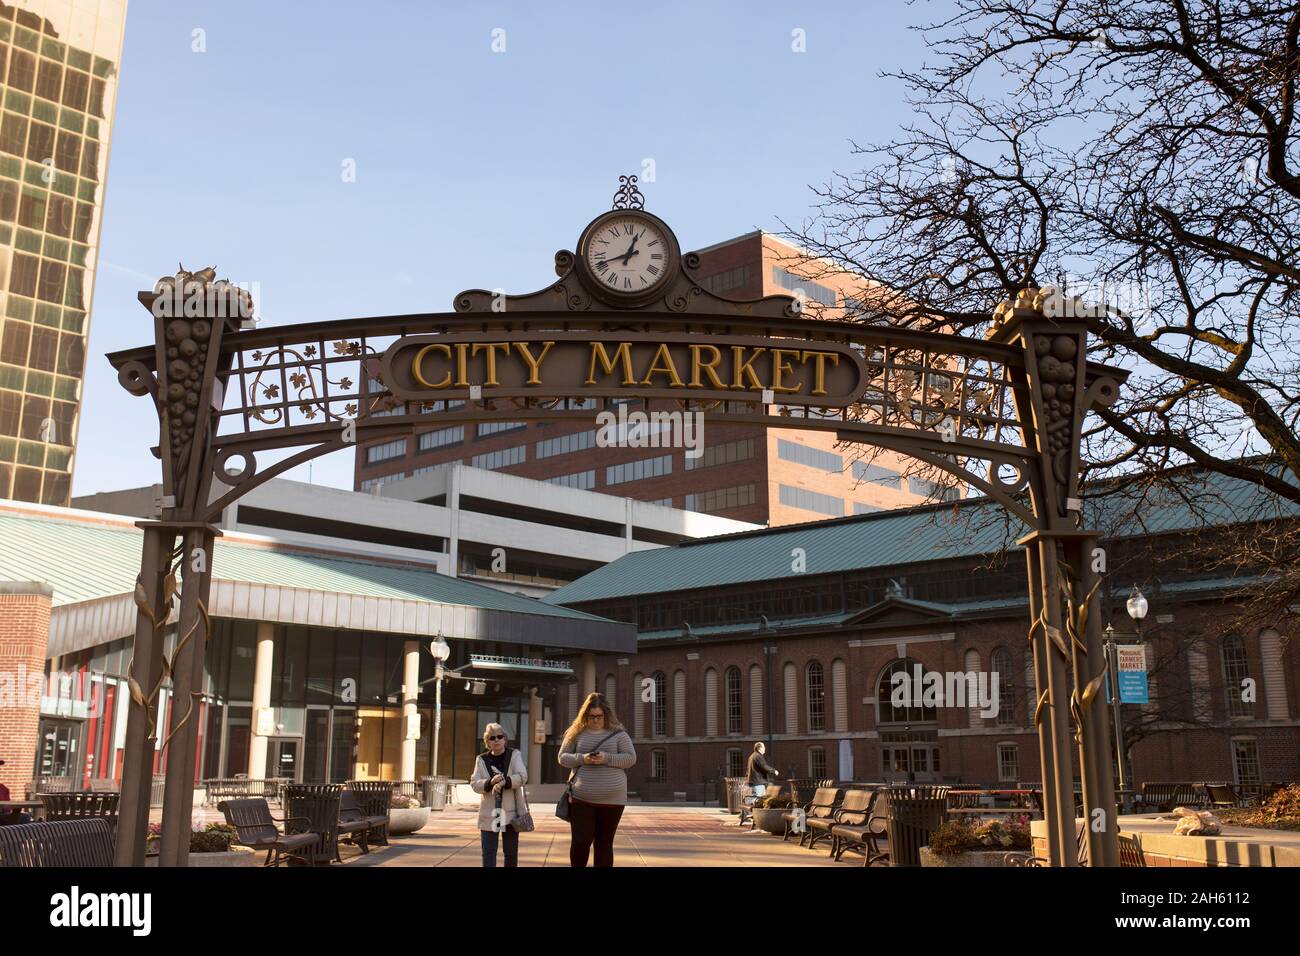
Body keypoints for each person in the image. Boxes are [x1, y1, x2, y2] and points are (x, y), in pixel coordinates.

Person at [557, 692, 636, 867]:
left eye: (599, 716)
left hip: (613, 800)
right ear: (585, 715)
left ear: (606, 714)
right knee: (580, 842)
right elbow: (562, 757)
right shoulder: (576, 733)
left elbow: (630, 758)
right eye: (591, 717)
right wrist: (582, 758)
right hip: (581, 798)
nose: (595, 720)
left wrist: (607, 758)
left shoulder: (618, 734)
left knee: (604, 844)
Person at [470, 722, 528, 867]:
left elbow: (522, 776)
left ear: (504, 739)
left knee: (510, 854)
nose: (496, 740)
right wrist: (490, 782)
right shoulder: (481, 759)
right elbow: (474, 783)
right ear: (487, 742)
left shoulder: (514, 754)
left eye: (499, 736)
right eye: (492, 738)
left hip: (511, 813)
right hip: (490, 813)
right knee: (488, 853)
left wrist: (505, 782)